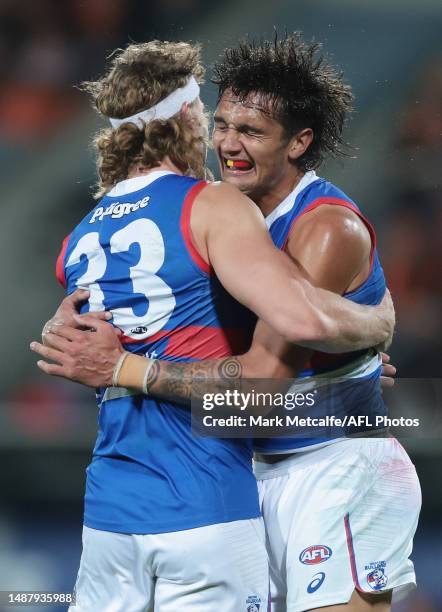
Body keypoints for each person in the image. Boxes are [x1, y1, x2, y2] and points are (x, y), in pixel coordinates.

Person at [31, 38, 398, 611]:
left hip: (330, 466)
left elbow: (265, 387)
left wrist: (373, 328)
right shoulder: (224, 215)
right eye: (222, 123)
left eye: (251, 132)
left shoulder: (322, 228)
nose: (228, 143)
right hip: (245, 468)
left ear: (300, 141)